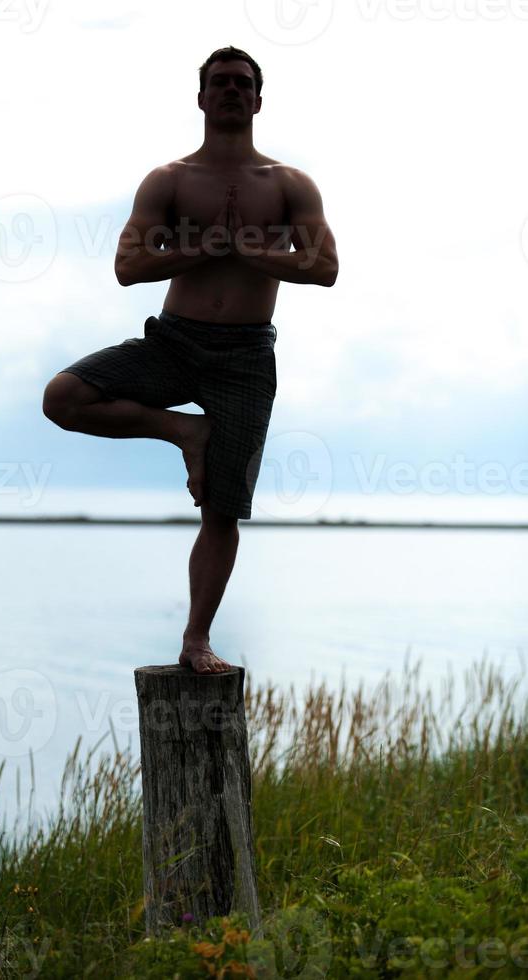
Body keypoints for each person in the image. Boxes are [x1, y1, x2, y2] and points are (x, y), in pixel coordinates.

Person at [42, 45, 338, 675]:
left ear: (259, 99)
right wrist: (203, 248)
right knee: (63, 397)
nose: (231, 91)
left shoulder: (289, 184)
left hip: (247, 357)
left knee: (223, 509)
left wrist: (255, 254)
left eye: (242, 84)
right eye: (220, 83)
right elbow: (128, 267)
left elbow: (326, 267)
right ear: (201, 98)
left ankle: (195, 641)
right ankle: (185, 430)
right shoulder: (169, 180)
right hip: (174, 341)